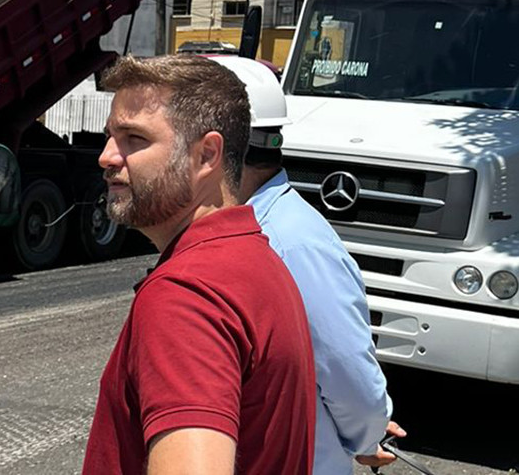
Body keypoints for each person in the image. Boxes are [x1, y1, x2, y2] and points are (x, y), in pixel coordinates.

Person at [82, 55, 315, 475]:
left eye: (134, 138)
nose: (106, 157)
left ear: (206, 155)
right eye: (109, 136)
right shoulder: (253, 258)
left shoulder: (187, 297)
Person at [209, 56, 404, 472]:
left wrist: (367, 435)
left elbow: (349, 373)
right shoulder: (257, 231)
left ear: (215, 150)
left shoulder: (289, 243)